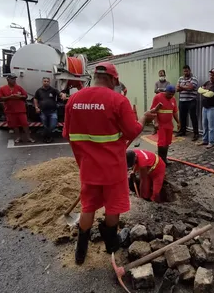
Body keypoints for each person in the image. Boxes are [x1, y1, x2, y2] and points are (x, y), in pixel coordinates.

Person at [62, 62, 156, 265]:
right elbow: (132, 131)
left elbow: (68, 135)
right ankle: (111, 245)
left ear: (95, 77)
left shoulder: (74, 99)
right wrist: (144, 118)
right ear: (114, 79)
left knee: (88, 207)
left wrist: (82, 159)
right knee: (113, 207)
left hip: (88, 168)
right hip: (113, 168)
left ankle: (80, 253)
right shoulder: (118, 100)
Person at [0, 74, 35, 144]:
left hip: (21, 110)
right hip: (10, 111)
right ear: (8, 80)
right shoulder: (3, 89)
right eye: (12, 79)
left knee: (25, 124)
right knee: (14, 125)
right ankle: (18, 137)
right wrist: (9, 97)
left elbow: (25, 96)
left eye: (14, 79)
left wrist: (19, 96)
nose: (14, 80)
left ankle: (28, 137)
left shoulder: (19, 88)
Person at [151, 84, 180, 165]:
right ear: (165, 91)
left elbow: (174, 112)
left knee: (167, 142)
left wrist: (178, 122)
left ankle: (164, 159)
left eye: (172, 94)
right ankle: (160, 161)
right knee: (161, 143)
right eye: (169, 94)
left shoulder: (173, 100)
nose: (171, 96)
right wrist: (156, 122)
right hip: (161, 125)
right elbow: (154, 111)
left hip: (169, 125)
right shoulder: (158, 97)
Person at [34, 77, 67, 143]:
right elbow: (35, 99)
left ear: (49, 82)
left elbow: (59, 93)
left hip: (53, 112)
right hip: (43, 112)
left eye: (47, 81)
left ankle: (44, 134)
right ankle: (49, 137)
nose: (46, 82)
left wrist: (63, 94)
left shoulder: (53, 90)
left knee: (53, 125)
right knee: (45, 126)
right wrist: (36, 107)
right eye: (44, 81)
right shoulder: (39, 90)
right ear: (42, 82)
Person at [197, 68, 214, 149]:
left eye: (213, 75)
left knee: (211, 126)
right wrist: (206, 91)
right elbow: (199, 90)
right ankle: (205, 140)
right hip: (205, 107)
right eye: (210, 75)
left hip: (212, 108)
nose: (211, 76)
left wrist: (204, 91)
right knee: (205, 125)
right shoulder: (207, 83)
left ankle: (211, 142)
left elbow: (210, 95)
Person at [176, 65, 199, 141]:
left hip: (191, 101)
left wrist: (182, 87)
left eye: (187, 71)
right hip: (182, 101)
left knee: (193, 117)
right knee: (182, 117)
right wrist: (185, 86)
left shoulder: (194, 78)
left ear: (190, 70)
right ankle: (182, 131)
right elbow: (177, 89)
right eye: (184, 71)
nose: (185, 72)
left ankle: (196, 133)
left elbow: (190, 88)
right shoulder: (180, 78)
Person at [153, 70, 171, 135]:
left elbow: (168, 90)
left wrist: (159, 89)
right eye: (160, 75)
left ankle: (165, 130)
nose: (161, 76)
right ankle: (155, 129)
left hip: (165, 100)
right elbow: (155, 90)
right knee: (155, 114)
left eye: (162, 75)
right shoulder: (156, 83)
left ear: (165, 75)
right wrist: (163, 89)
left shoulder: (168, 83)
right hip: (157, 100)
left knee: (164, 115)